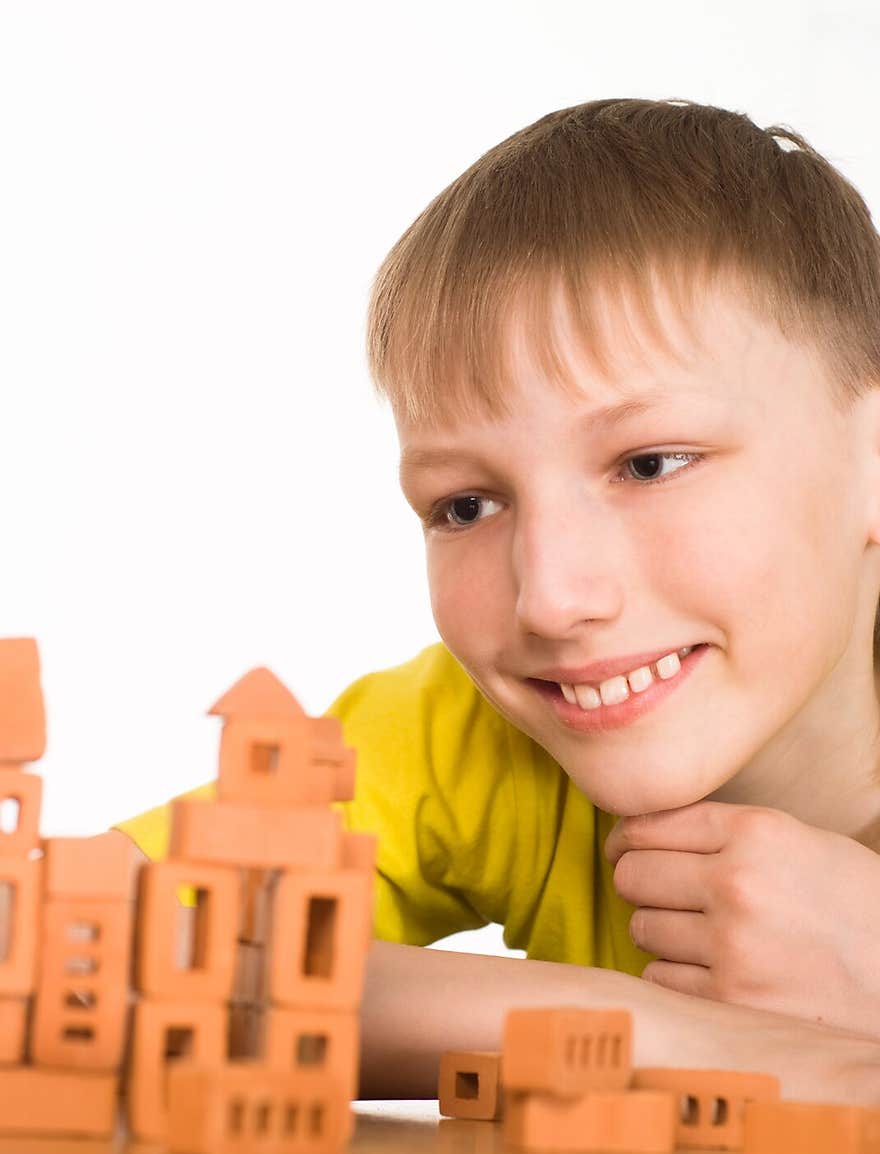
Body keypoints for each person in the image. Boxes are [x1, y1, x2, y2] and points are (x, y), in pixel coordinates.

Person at [113, 97, 880, 1103]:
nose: (552, 599)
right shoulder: (470, 734)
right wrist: (646, 1028)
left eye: (649, 462)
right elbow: (51, 937)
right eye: (464, 503)